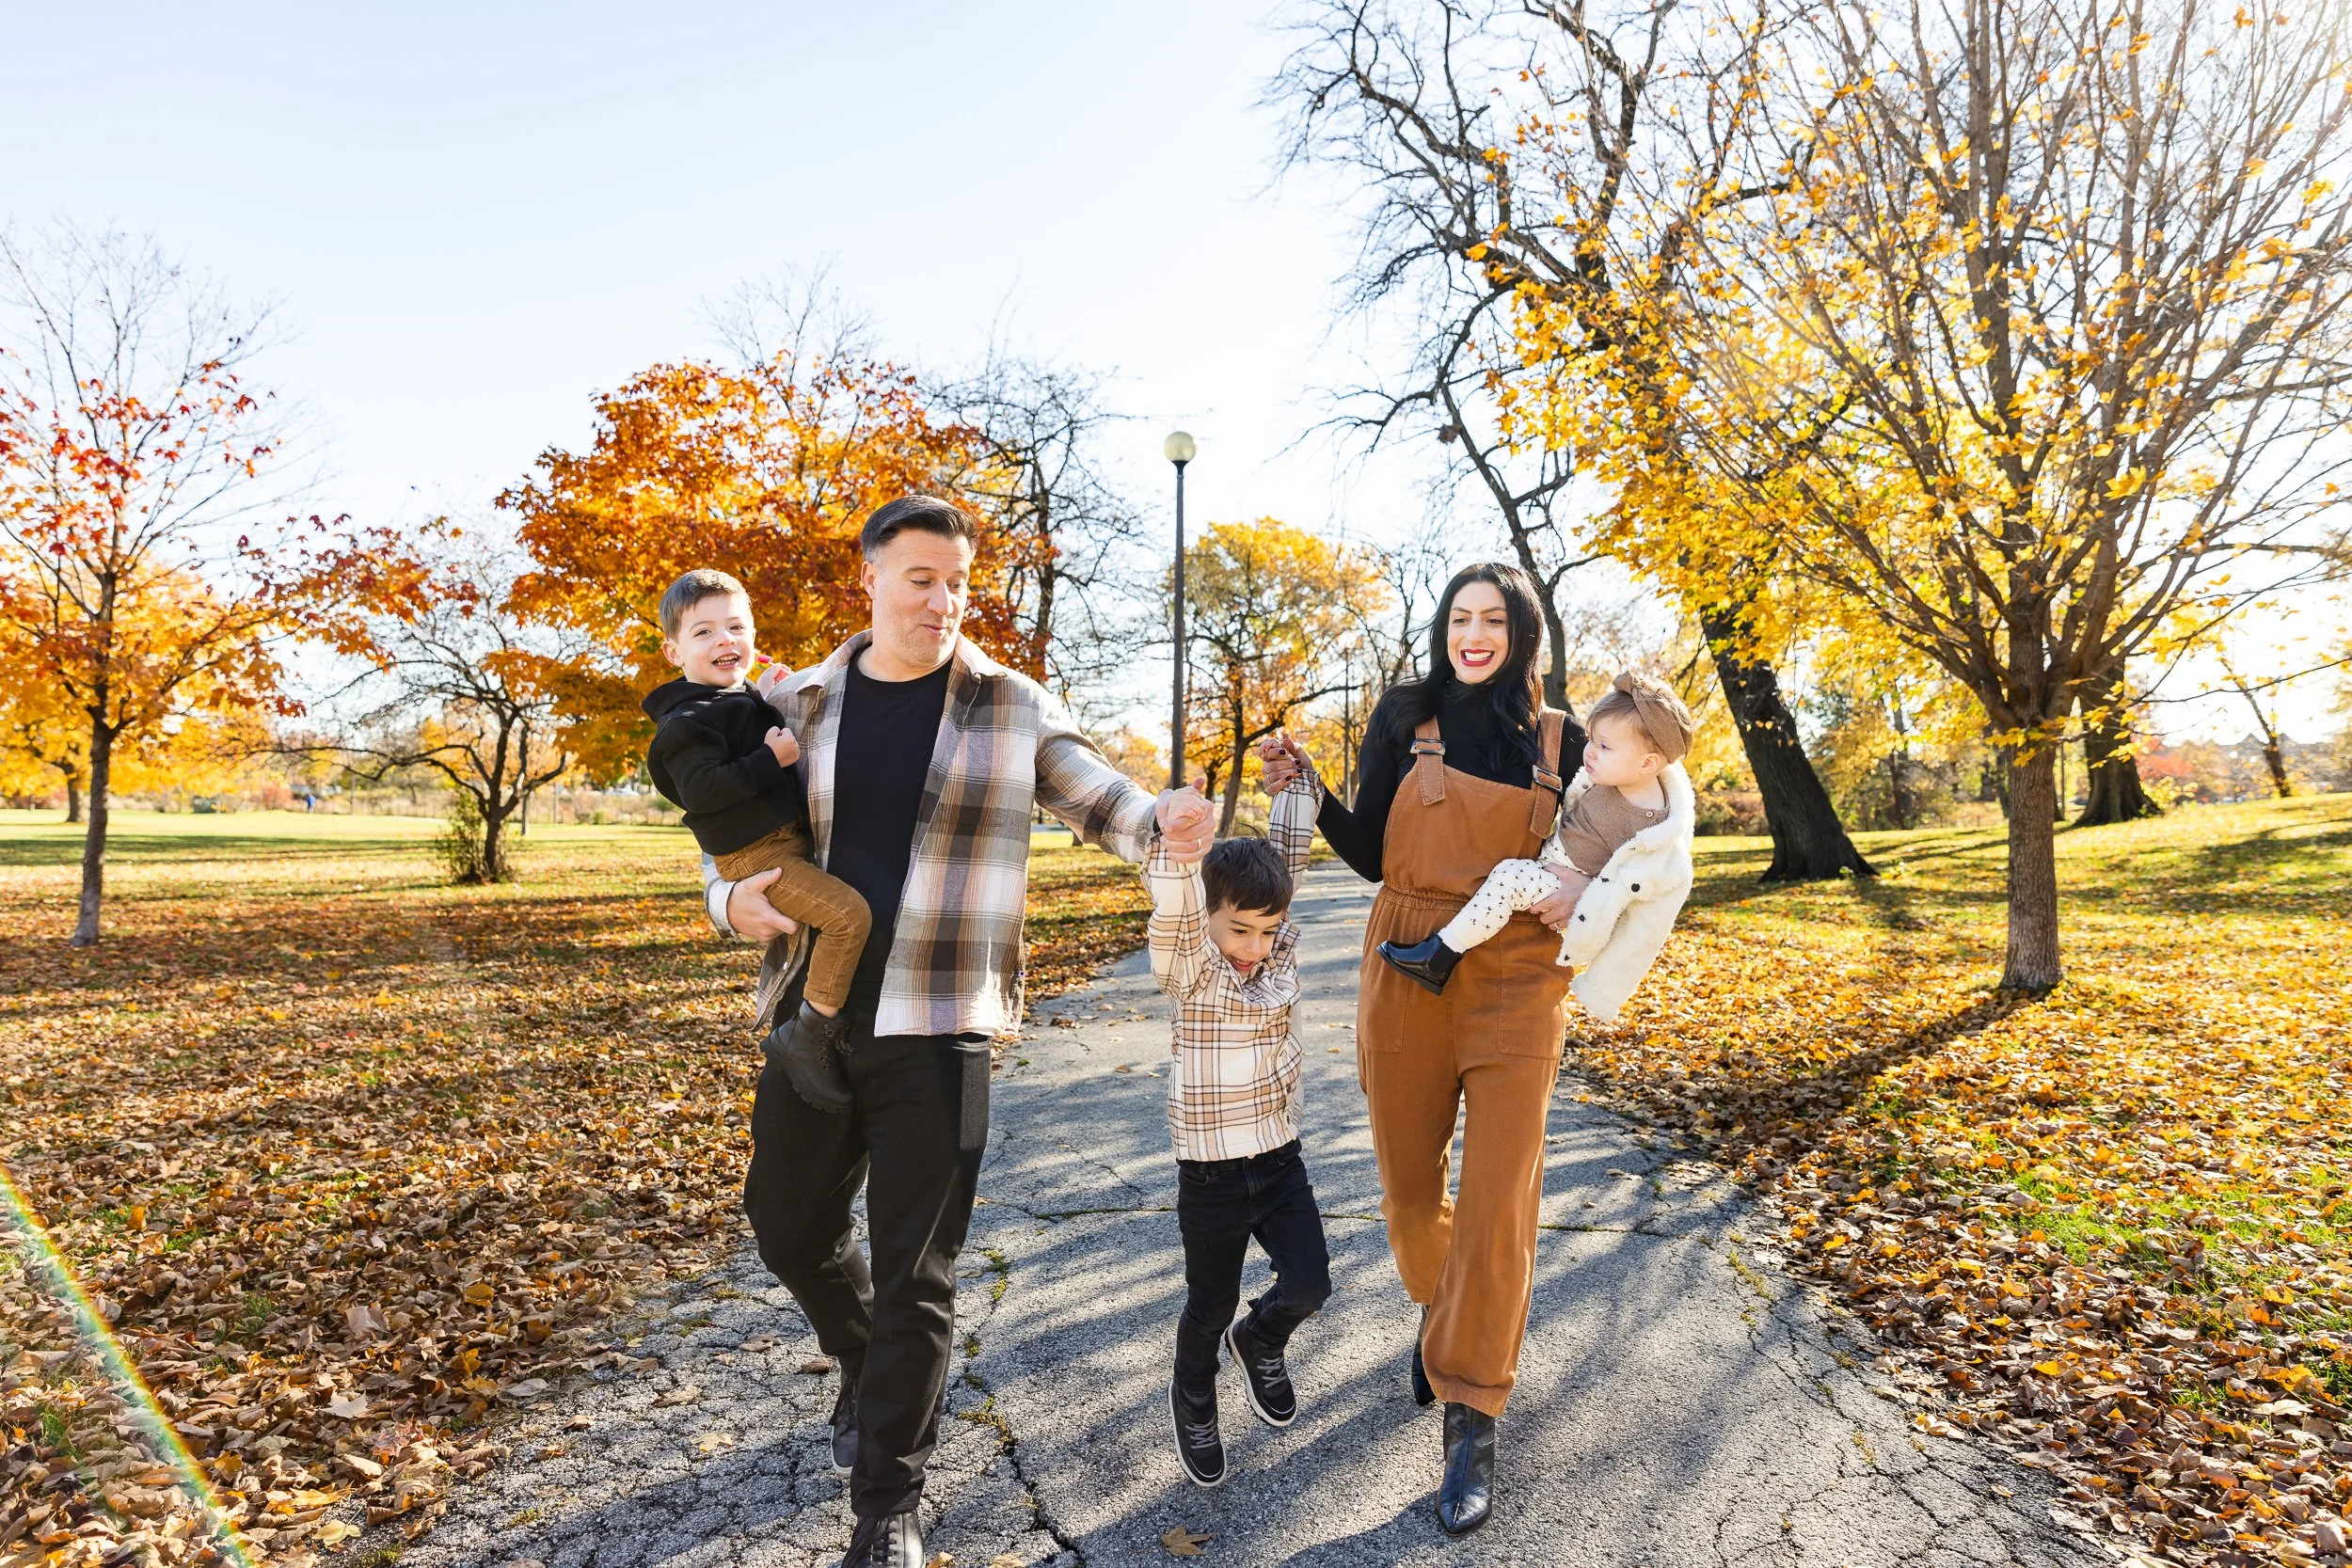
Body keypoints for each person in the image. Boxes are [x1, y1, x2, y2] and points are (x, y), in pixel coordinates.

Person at [702, 496, 1214, 1568]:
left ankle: (889, 1501)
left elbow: (1100, 797)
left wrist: (1159, 820)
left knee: (917, 1273)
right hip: (816, 1014)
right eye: (921, 577)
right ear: (873, 579)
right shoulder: (800, 697)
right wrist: (728, 903)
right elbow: (731, 836)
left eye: (958, 582)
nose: (942, 600)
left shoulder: (1007, 702)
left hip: (938, 1025)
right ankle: (860, 1356)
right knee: (786, 1225)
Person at [1258, 561, 1582, 1538]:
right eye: (1458, 618)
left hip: (1519, 976)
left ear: (1523, 632)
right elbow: (1371, 855)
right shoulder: (1405, 718)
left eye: (1491, 620)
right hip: (1405, 960)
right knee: (1407, 1190)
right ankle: (1447, 1317)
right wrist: (1311, 793)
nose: (1471, 634)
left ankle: (1471, 1414)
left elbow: (1622, 841)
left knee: (1499, 1197)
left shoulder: (1561, 738)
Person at [1143, 774, 1331, 1488]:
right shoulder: (1192, 967)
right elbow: (1174, 909)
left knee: (1310, 1283)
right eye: (1239, 929)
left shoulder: (1275, 947)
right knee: (1208, 1303)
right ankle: (1194, 1387)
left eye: (1267, 929)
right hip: (1213, 1176)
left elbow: (1285, 856)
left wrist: (1296, 784)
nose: (1254, 945)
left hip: (1280, 1162)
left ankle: (1261, 1336)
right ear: (1211, 919)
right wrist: (1180, 842)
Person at [642, 567, 872, 1113]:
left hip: (783, 842)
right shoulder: (687, 721)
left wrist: (773, 690)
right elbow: (702, 790)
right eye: (703, 632)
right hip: (757, 853)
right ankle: (809, 1033)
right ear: (673, 653)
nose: (726, 640)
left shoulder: (736, 699)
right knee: (848, 917)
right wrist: (772, 759)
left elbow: (749, 694)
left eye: (737, 627)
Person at [1378, 669, 1697, 1022]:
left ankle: (1439, 955)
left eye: (1604, 746)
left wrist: (1593, 894)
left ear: (1648, 763)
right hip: (1554, 861)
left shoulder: (1655, 826)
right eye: (1591, 739)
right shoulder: (1614, 778)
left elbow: (1648, 904)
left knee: (1508, 878)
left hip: (1566, 888)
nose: (1589, 752)